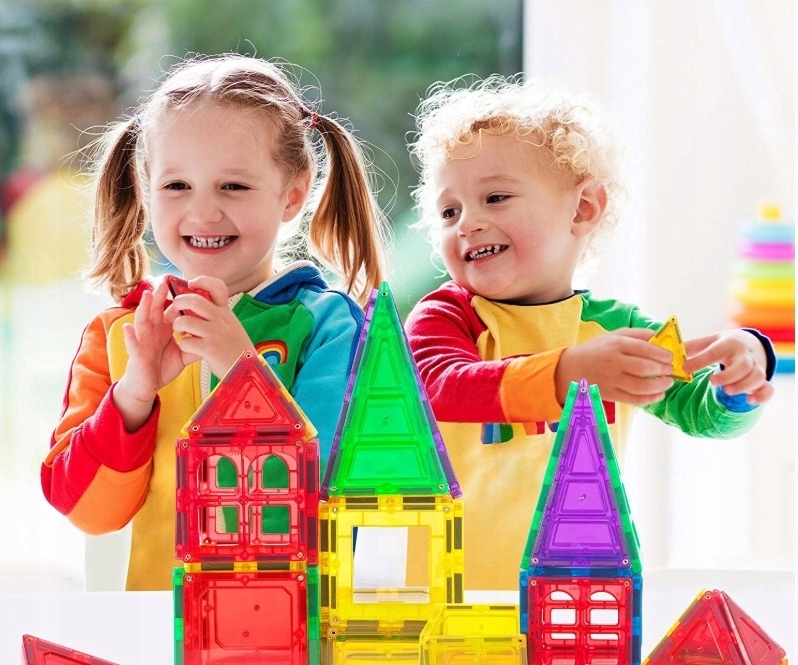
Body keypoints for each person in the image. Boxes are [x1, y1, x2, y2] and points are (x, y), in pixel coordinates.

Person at [404, 76, 775, 590]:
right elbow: (440, 387)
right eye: (450, 211)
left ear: (582, 209)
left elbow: (700, 414)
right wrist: (568, 373)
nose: (466, 223)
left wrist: (738, 378)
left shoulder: (619, 328)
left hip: (579, 590)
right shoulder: (445, 316)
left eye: (495, 197)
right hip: (451, 596)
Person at [41, 55, 387, 591]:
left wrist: (243, 374)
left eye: (234, 187)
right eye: (177, 185)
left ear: (293, 195)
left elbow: (331, 495)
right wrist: (134, 394)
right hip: (157, 626)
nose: (203, 212)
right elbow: (86, 510)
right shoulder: (117, 334)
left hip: (290, 624)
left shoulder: (329, 325)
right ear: (147, 188)